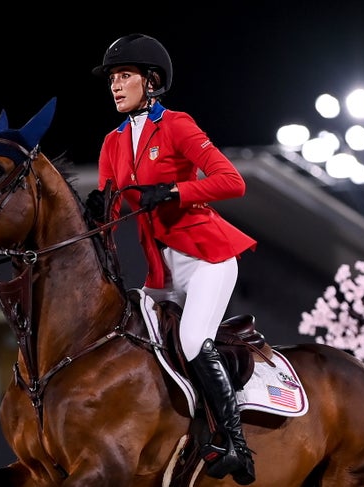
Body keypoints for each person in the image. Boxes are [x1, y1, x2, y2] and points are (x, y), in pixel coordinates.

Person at [87, 33, 258, 485]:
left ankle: (236, 443)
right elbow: (113, 208)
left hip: (206, 258)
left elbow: (232, 181)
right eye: (112, 79)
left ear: (152, 80)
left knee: (191, 337)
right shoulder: (112, 143)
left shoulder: (177, 125)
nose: (115, 85)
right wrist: (93, 212)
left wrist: (179, 190)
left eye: (124, 76)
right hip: (160, 270)